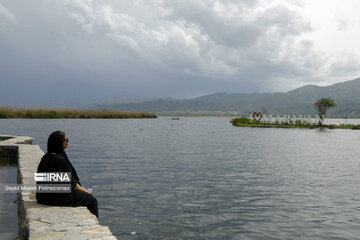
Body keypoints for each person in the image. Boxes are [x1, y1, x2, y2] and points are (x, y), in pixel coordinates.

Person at [36, 131, 98, 218]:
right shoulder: (58, 160)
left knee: (82, 195)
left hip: (42, 195)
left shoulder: (47, 157)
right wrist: (86, 191)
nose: (67, 142)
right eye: (66, 140)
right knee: (91, 201)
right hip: (52, 198)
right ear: (60, 142)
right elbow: (71, 183)